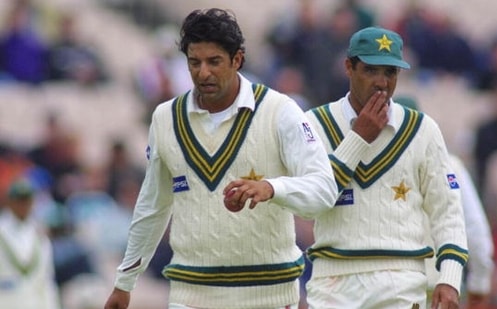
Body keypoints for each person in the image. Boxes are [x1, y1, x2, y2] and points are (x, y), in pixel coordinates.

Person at [103, 8, 338, 309]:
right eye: (194, 62)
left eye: (214, 62)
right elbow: (152, 207)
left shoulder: (280, 111)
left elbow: (324, 191)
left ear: (237, 60)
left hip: (269, 295)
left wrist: (272, 189)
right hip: (191, 294)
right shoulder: (165, 118)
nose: (203, 73)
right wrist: (125, 282)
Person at [304, 26, 469, 309]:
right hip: (333, 282)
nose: (381, 82)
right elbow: (307, 205)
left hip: (402, 281)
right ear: (348, 67)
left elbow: (448, 210)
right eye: (370, 70)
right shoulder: (314, 124)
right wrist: (358, 139)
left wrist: (450, 278)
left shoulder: (422, 129)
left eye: (390, 73)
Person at [396, 96, 495, 309]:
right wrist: (480, 282)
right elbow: (475, 229)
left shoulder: (372, 166)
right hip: (441, 291)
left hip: (389, 291)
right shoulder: (452, 166)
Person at [0, 178, 61, 309]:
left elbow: (47, 279)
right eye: (19, 201)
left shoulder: (39, 234)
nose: (23, 205)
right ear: (9, 202)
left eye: (27, 200)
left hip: (35, 303)